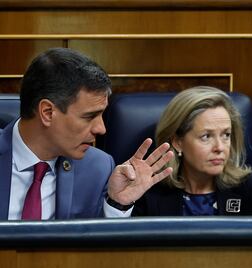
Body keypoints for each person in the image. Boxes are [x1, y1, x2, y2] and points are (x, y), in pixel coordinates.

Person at [0, 47, 173, 220]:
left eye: (101, 115)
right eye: (89, 116)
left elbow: (98, 243)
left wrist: (117, 204)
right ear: (47, 113)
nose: (101, 129)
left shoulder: (97, 167)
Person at [131, 86, 252, 216]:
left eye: (226, 135)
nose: (219, 147)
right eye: (206, 136)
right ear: (177, 142)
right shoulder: (149, 195)